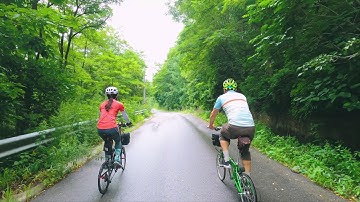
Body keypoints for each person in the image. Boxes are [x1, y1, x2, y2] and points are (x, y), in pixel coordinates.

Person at [207, 78, 255, 174]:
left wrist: (211, 125)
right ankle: (247, 177)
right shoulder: (242, 96)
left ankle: (226, 160)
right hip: (251, 127)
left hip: (234, 127)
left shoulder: (221, 98)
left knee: (223, 133)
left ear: (224, 90)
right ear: (236, 89)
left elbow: (213, 113)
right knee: (245, 151)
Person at [97, 86, 132, 168]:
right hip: (111, 127)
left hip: (100, 129)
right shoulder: (119, 104)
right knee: (118, 141)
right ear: (116, 95)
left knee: (107, 142)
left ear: (107, 95)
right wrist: (129, 123)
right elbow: (125, 116)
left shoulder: (102, 104)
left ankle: (107, 162)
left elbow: (102, 117)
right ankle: (117, 159)